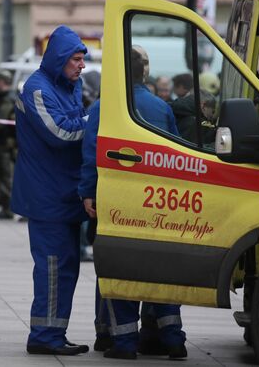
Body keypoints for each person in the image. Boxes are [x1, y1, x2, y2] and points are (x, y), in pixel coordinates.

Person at [78, 47, 186, 360]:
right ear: (144, 74)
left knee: (119, 268)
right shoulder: (160, 107)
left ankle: (123, 342)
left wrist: (88, 192)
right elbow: (179, 153)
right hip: (156, 200)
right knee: (159, 269)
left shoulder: (104, 107)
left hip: (117, 198)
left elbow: (92, 152)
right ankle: (174, 339)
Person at [11, 25, 89, 356]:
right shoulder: (37, 89)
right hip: (47, 196)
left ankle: (55, 331)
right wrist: (94, 123)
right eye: (76, 59)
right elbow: (59, 133)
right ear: (59, 59)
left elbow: (75, 121)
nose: (81, 66)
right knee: (54, 267)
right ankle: (44, 335)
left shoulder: (71, 85)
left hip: (65, 192)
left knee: (67, 267)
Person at [0, 69, 16, 220]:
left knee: (7, 176)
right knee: (2, 176)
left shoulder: (9, 99)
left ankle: (8, 208)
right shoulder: (0, 97)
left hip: (8, 145)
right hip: (1, 143)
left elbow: (4, 121)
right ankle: (5, 206)